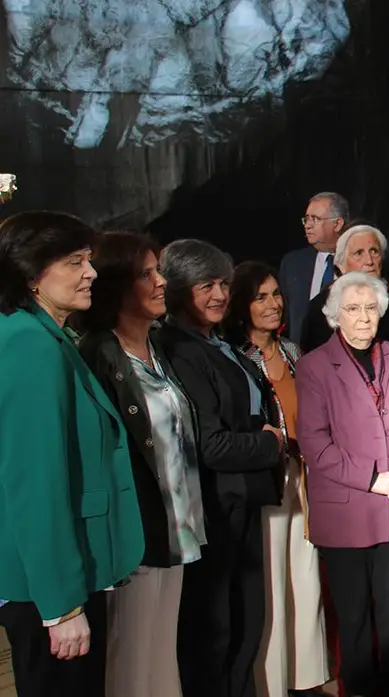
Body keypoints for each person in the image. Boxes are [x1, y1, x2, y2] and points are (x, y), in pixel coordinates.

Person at [0, 212, 144, 697]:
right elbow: (35, 485)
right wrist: (61, 607)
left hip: (64, 575)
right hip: (50, 588)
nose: (92, 272)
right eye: (75, 261)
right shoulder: (29, 345)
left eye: (90, 259)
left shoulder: (45, 338)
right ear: (31, 273)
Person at [76, 232, 206, 697]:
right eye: (146, 273)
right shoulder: (96, 355)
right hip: (134, 537)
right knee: (128, 662)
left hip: (177, 527)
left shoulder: (157, 350)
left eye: (159, 271)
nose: (160, 282)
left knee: (158, 657)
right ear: (116, 285)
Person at [159, 239, 286, 697]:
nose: (218, 295)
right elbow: (209, 444)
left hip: (242, 500)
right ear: (175, 290)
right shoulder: (178, 348)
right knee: (215, 633)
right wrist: (269, 444)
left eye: (223, 284)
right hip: (215, 506)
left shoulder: (215, 341)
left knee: (245, 622)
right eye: (204, 286)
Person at [298, 272, 389, 697]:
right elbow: (315, 444)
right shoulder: (314, 365)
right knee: (353, 612)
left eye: (370, 308)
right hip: (347, 503)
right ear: (335, 316)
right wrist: (374, 479)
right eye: (352, 309)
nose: (362, 318)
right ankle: (357, 686)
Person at [224, 262, 330, 697]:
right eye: (260, 296)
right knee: (269, 584)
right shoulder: (231, 356)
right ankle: (271, 683)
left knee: (305, 577)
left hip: (302, 476)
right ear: (241, 305)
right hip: (263, 479)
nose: (273, 304)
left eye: (275, 294)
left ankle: (309, 676)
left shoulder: (292, 351)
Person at [300, 224, 389, 352]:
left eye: (374, 251)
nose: (369, 261)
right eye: (359, 253)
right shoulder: (320, 309)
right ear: (341, 265)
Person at [279, 192, 349, 344]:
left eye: (315, 219)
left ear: (337, 224)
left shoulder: (357, 261)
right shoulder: (293, 264)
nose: (308, 225)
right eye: (306, 219)